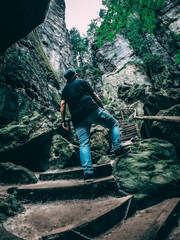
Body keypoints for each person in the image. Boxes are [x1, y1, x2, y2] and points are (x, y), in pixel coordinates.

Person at [60, 69, 130, 182]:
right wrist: (102, 108)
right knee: (113, 124)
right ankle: (118, 150)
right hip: (92, 110)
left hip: (78, 119)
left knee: (83, 144)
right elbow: (95, 96)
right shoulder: (81, 81)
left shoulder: (65, 90)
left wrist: (63, 121)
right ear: (76, 75)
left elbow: (62, 105)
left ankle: (88, 174)